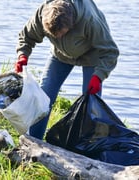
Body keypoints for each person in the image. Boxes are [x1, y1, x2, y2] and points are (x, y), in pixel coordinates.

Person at [14, 0, 119, 140]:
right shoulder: (43, 13)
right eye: (53, 35)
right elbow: (26, 37)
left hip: (91, 56)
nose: (58, 37)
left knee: (91, 103)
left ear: (72, 24)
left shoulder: (90, 20)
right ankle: (34, 141)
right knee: (44, 97)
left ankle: (89, 147)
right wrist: (22, 55)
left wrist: (98, 76)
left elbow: (110, 52)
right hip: (59, 55)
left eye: (62, 33)